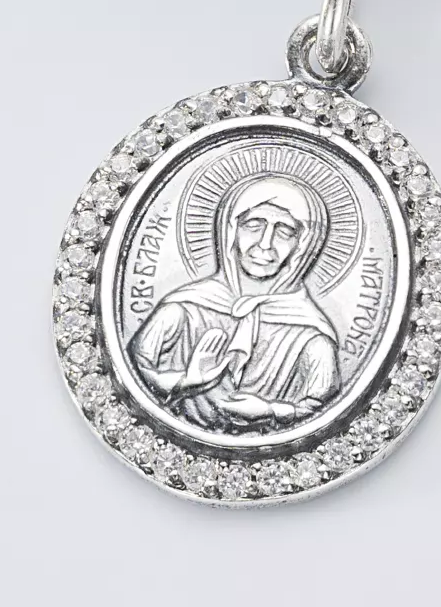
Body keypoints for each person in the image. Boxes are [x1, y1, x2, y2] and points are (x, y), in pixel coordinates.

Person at [129, 174, 340, 432]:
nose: (265, 244)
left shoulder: (313, 338)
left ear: (304, 246)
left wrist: (271, 411)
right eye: (253, 225)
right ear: (230, 230)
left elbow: (323, 406)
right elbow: (136, 369)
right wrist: (184, 382)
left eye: (285, 232)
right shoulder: (181, 310)